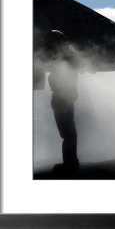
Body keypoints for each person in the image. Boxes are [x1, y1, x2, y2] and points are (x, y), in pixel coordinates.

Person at [44, 30, 80, 173]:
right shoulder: (67, 58)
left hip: (62, 98)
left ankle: (70, 164)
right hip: (64, 98)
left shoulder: (61, 60)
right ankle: (71, 163)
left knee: (68, 134)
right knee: (69, 134)